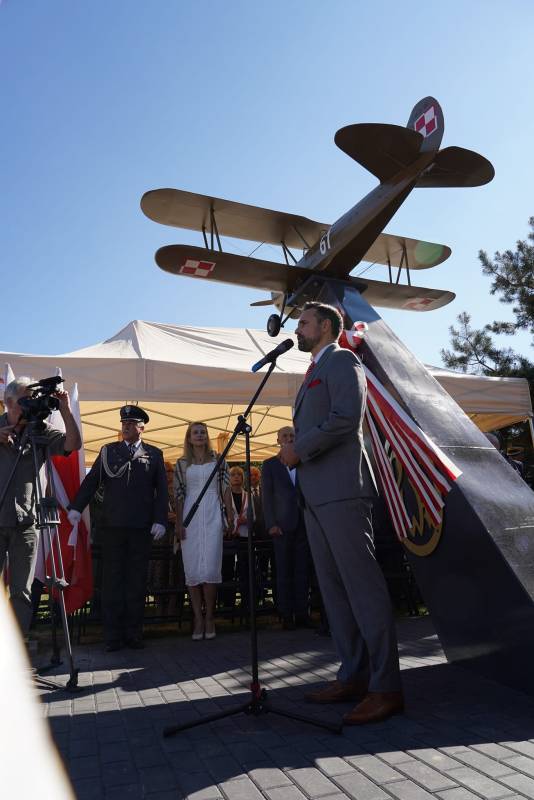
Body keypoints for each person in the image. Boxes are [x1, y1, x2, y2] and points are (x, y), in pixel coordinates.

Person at [279, 301, 403, 725]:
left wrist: (299, 449)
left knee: (363, 589)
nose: (297, 329)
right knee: (334, 593)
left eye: (304, 323)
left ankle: (386, 687)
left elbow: (346, 419)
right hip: (316, 496)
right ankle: (353, 675)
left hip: (343, 491)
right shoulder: (313, 369)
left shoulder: (343, 360)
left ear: (327, 326)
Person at [68, 405, 167, 651]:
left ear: (142, 428)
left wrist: (160, 520)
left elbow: (162, 491)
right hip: (112, 527)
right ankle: (112, 636)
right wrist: (76, 507)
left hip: (140, 528)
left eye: (131, 423)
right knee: (112, 582)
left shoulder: (154, 454)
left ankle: (133, 634)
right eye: (124, 423)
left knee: (136, 581)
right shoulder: (109, 451)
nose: (126, 426)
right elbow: (92, 482)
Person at [0, 377, 81, 637]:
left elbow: (73, 445)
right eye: (25, 400)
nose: (31, 405)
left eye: (33, 399)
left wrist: (65, 409)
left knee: (21, 590)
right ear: (8, 402)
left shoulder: (41, 430)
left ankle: (17, 644)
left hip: (26, 521)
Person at [174, 422, 233, 640]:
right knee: (192, 569)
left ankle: (210, 617)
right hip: (190, 515)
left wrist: (230, 514)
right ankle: (198, 617)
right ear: (189, 438)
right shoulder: (181, 463)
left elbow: (225, 488)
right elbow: (178, 495)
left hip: (212, 514)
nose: (200, 435)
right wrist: (179, 523)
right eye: (195, 432)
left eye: (203, 432)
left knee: (210, 567)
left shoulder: (219, 460)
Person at [262, 426, 311, 630]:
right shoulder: (269, 465)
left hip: (304, 524)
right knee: (283, 572)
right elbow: (266, 496)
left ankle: (302, 614)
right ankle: (286, 615)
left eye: (292, 435)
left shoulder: (304, 461)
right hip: (281, 526)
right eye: (285, 436)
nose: (289, 438)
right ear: (278, 440)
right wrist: (271, 523)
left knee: (303, 571)